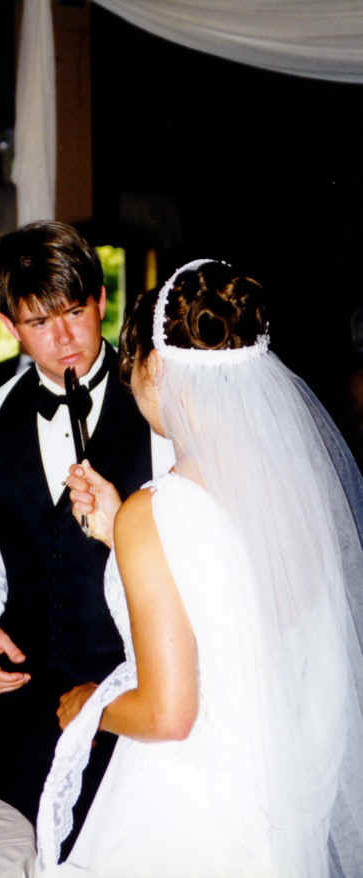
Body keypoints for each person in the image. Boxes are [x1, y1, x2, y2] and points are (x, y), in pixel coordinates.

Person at [35, 259, 363, 877]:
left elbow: (168, 713)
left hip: (187, 808)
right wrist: (117, 534)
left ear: (155, 366)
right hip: (270, 795)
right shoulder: (292, 491)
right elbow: (236, 604)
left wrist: (90, 706)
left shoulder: (155, 512)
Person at [0, 221, 173, 836]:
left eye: (74, 311)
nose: (64, 338)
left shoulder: (162, 402)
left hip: (134, 699)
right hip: (27, 708)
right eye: (39, 323)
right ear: (9, 326)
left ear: (101, 300)